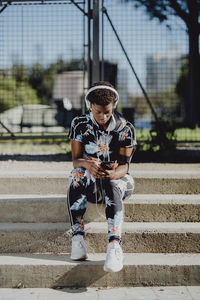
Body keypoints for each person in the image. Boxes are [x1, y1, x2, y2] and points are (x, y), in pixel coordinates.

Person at [66, 81, 136, 272]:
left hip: (117, 183)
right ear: (90, 106)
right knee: (77, 174)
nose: (103, 116)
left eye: (107, 111)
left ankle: (114, 246)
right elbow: (76, 160)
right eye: (98, 112)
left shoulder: (125, 128)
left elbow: (125, 166)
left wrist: (113, 173)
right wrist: (87, 164)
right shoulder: (79, 125)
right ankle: (78, 239)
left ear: (114, 106)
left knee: (113, 182)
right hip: (91, 184)